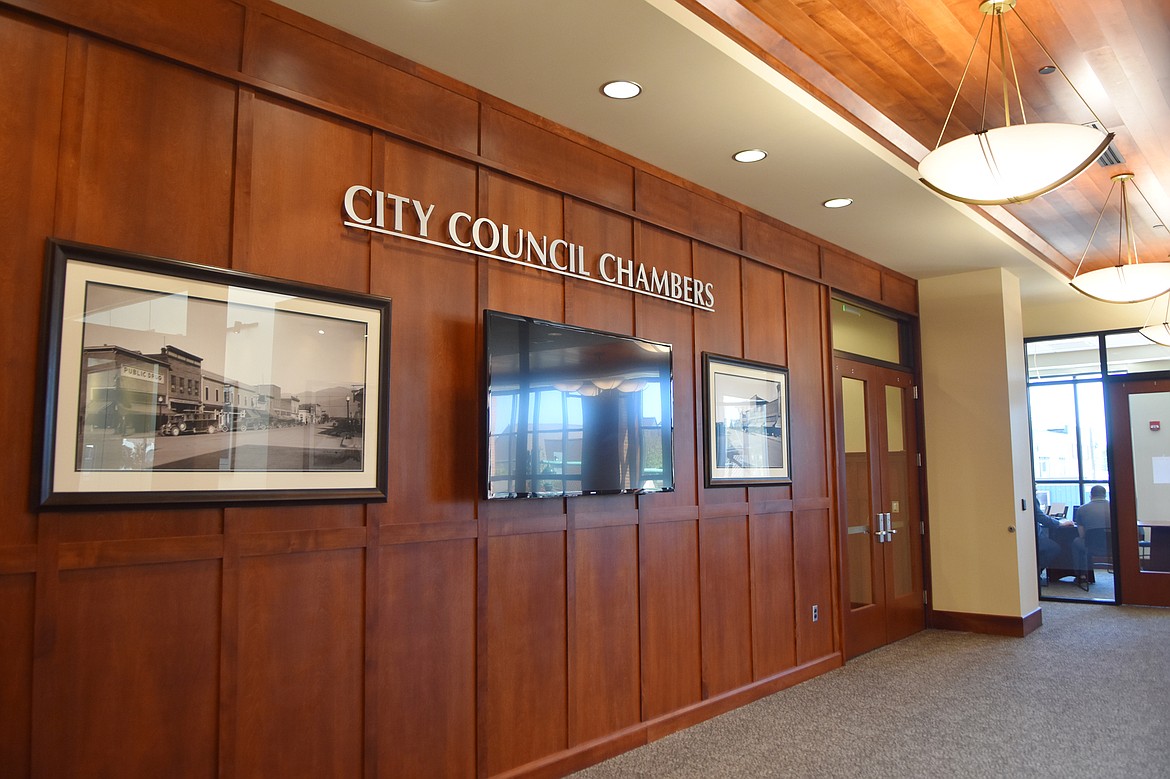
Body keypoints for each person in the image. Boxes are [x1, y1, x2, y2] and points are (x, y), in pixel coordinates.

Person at [1072, 485, 1110, 578]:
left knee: (1076, 542)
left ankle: (1082, 575)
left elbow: (1082, 535)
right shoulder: (1116, 507)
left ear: (1091, 495)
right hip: (1114, 547)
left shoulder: (1082, 509)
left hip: (1091, 547)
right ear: (1105, 495)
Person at [1035, 494, 1073, 583]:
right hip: (1033, 537)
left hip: (1032, 535)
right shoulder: (1031, 497)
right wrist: (1060, 523)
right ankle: (1036, 571)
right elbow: (1040, 517)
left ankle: (1036, 571)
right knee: (1053, 548)